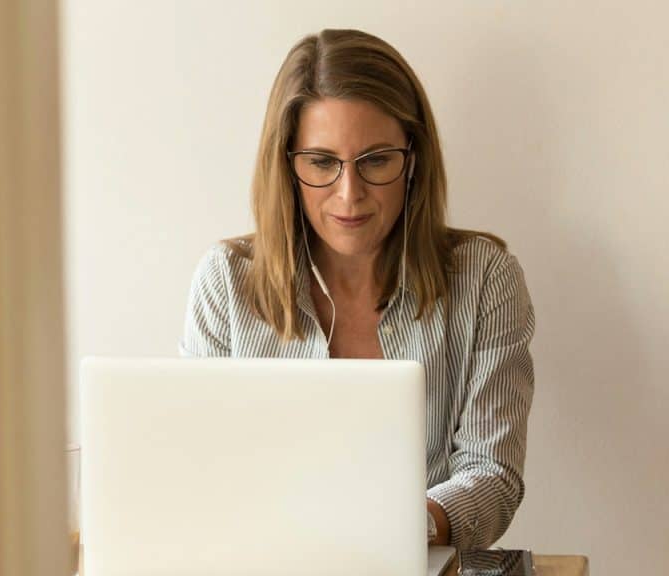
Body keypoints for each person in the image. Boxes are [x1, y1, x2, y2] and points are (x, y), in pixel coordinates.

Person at [180, 28, 535, 551]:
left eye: (375, 160)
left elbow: (493, 475)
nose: (350, 194)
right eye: (322, 162)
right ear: (287, 165)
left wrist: (399, 529)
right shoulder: (225, 282)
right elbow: (198, 469)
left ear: (412, 159)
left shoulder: (484, 279)